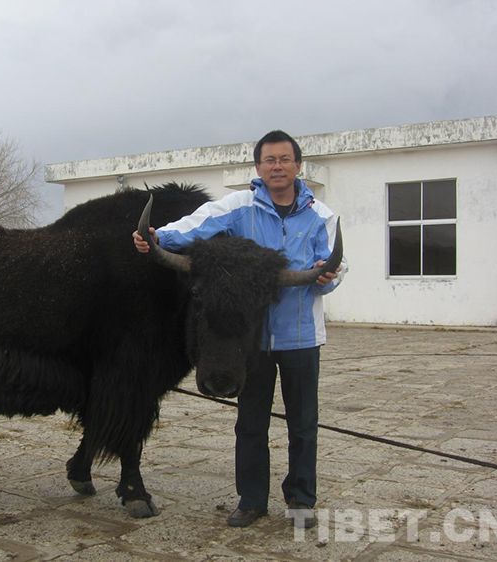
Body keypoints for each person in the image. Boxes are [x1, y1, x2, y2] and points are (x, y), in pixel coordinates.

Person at [133, 129, 348, 529]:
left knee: (304, 425)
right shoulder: (237, 206)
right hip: (251, 339)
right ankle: (251, 501)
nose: (277, 167)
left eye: (284, 159)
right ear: (258, 167)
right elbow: (195, 225)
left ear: (298, 165)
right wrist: (159, 236)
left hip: (302, 335)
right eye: (270, 160)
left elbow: (336, 264)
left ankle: (301, 500)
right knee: (250, 422)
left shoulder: (323, 215)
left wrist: (326, 277)